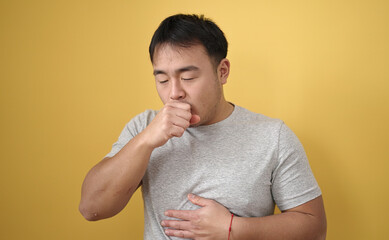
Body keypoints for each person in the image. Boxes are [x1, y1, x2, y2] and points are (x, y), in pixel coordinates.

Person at [79, 14, 327, 240]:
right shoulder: (144, 127)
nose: (174, 93)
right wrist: (146, 141)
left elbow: (314, 228)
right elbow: (92, 209)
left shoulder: (273, 136)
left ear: (222, 71)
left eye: (188, 77)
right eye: (162, 79)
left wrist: (233, 228)